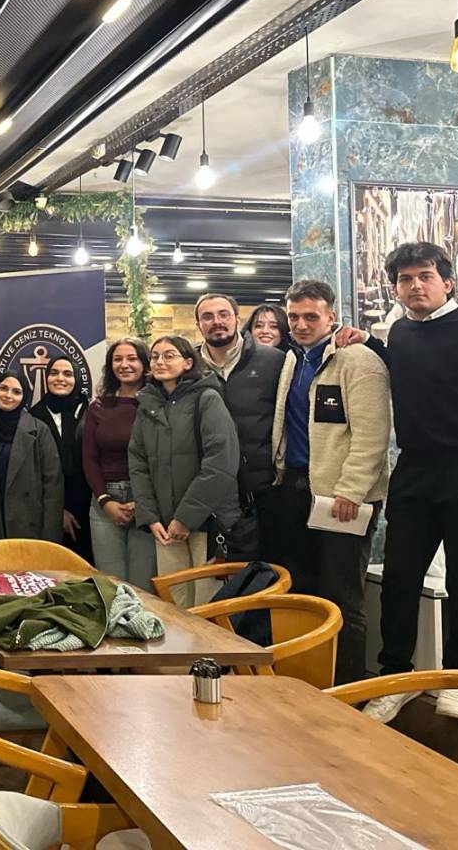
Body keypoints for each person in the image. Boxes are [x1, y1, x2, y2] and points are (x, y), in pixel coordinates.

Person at [338, 242, 458, 722]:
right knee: (399, 581)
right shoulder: (401, 331)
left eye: (425, 276)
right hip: (414, 472)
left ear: (447, 282)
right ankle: (395, 678)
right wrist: (368, 342)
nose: (415, 285)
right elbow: (404, 367)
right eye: (405, 279)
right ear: (396, 288)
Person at [271, 279, 390, 684]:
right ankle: (307, 681)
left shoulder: (358, 361)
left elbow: (372, 435)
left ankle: (349, 687)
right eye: (294, 317)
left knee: (343, 596)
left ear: (331, 317)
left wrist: (351, 491)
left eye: (311, 316)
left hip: (342, 495)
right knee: (303, 591)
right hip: (297, 487)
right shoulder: (293, 359)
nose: (301, 324)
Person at [129, 336, 240, 608]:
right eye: (155, 356)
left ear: (188, 362)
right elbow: (138, 464)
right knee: (174, 604)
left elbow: (221, 463)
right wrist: (150, 517)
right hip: (165, 525)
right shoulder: (147, 405)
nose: (160, 362)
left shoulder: (207, 398)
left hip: (205, 523)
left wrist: (185, 518)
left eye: (169, 355)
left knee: (207, 606)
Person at [193, 292, 278, 562]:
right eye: (207, 317)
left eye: (223, 314)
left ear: (237, 319)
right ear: (198, 324)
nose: (216, 321)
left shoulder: (273, 361)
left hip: (264, 488)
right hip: (207, 488)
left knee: (270, 571)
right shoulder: (188, 367)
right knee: (215, 574)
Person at [83, 339, 155, 591]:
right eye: (117, 359)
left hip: (146, 502)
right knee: (111, 586)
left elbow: (162, 458)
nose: (124, 365)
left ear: (144, 364)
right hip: (105, 502)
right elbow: (90, 458)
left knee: (143, 586)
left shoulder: (157, 404)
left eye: (132, 358)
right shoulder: (98, 407)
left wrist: (143, 500)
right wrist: (105, 501)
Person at [0, 372, 63, 551]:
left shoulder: (40, 430)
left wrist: (51, 537)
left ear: (24, 397)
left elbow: (52, 487)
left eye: (16, 392)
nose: (8, 395)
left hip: (29, 523)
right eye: (3, 388)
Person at [29, 356, 93, 564]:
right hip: (50, 508)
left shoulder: (91, 411)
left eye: (67, 374)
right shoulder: (33, 416)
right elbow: (33, 470)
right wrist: (59, 511)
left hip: (91, 507)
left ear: (77, 379)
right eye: (54, 373)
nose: (60, 378)